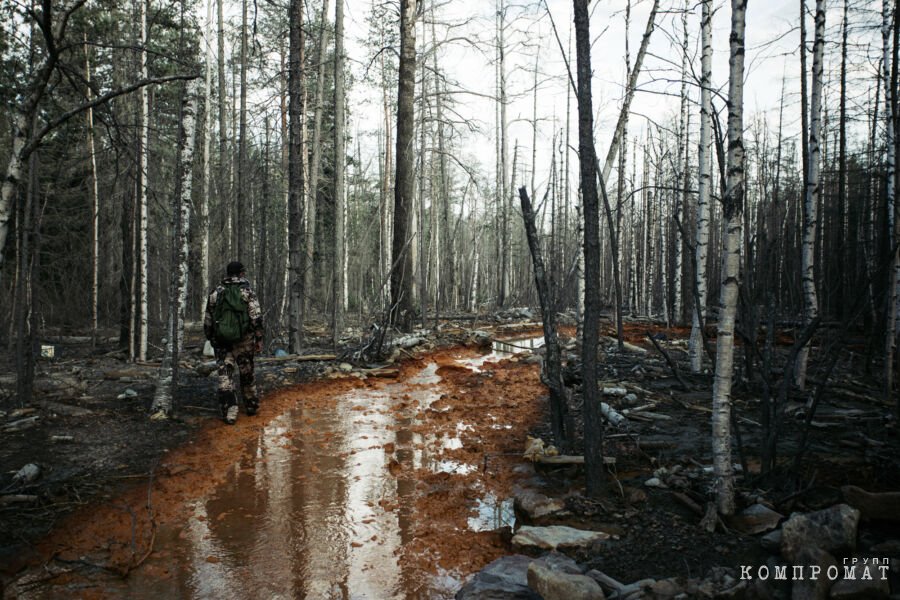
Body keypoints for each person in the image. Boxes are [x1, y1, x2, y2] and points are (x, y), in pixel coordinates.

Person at [203, 261, 264, 424]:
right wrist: (258, 338)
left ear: (228, 274)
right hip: (244, 341)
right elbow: (256, 317)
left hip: (222, 341)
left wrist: (210, 336)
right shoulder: (247, 292)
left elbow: (208, 318)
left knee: (225, 376)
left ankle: (230, 411)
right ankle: (251, 406)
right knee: (247, 372)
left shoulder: (216, 292)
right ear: (241, 273)